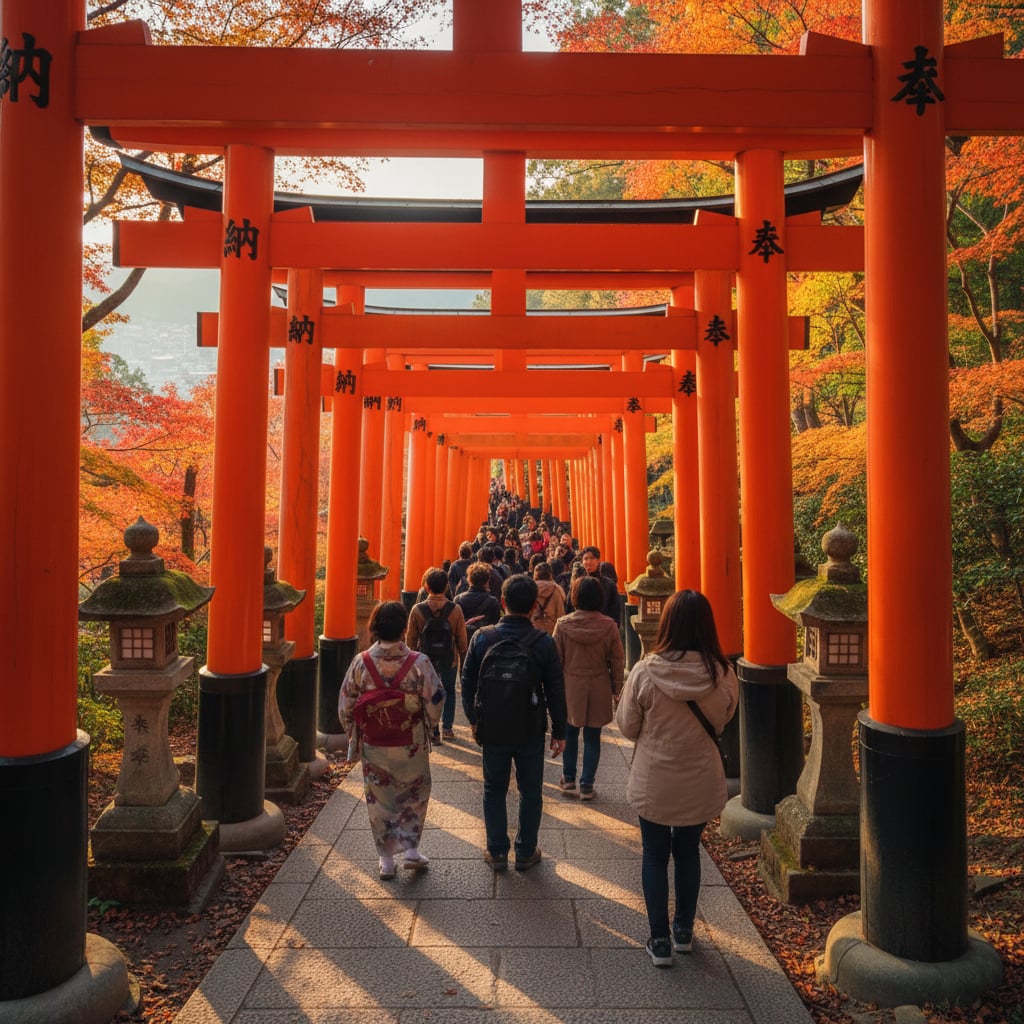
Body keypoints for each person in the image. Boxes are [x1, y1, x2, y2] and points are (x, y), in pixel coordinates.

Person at [615, 589, 738, 968]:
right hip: (699, 775)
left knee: (654, 855)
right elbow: (725, 718)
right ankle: (684, 930)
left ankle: (659, 941)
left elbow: (627, 726)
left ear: (666, 623)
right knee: (687, 851)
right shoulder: (722, 673)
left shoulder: (646, 670)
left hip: (655, 776)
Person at [460, 574, 567, 872]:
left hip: (492, 727)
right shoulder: (543, 642)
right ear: (534, 606)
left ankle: (496, 851)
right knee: (530, 789)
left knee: (494, 788)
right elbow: (556, 689)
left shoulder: (483, 637)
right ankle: (525, 850)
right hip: (530, 726)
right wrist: (560, 730)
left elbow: (466, 682)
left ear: (503, 602)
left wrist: (474, 718)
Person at [338, 601, 445, 880]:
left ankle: (386, 860)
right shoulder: (419, 662)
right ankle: (411, 851)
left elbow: (346, 701)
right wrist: (429, 725)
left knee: (380, 799)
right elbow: (436, 697)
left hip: (376, 744)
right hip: (410, 742)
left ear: (375, 627)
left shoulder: (361, 662)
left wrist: (353, 730)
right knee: (414, 795)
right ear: (402, 628)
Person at [552, 575, 624, 800]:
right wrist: (616, 688)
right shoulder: (609, 626)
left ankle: (569, 778)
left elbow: (556, 660)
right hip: (599, 683)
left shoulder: (563, 625)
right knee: (593, 736)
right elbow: (617, 660)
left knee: (570, 733)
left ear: (575, 597)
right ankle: (587, 784)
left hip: (570, 684)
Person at [407, 568, 468, 743]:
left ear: (426, 587)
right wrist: (461, 654)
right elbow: (462, 641)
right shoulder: (455, 609)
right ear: (447, 586)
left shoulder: (417, 609)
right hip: (449, 657)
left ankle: (433, 729)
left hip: (425, 659)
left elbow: (410, 639)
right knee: (448, 690)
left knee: (427, 692)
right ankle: (447, 727)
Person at [454, 561, 501, 641]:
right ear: (487, 581)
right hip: (485, 643)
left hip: (464, 641)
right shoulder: (493, 602)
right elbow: (495, 626)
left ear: (469, 580)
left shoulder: (458, 600)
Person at [530, 561, 565, 636]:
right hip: (552, 631)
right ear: (550, 574)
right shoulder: (557, 590)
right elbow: (561, 614)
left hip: (532, 630)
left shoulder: (530, 588)